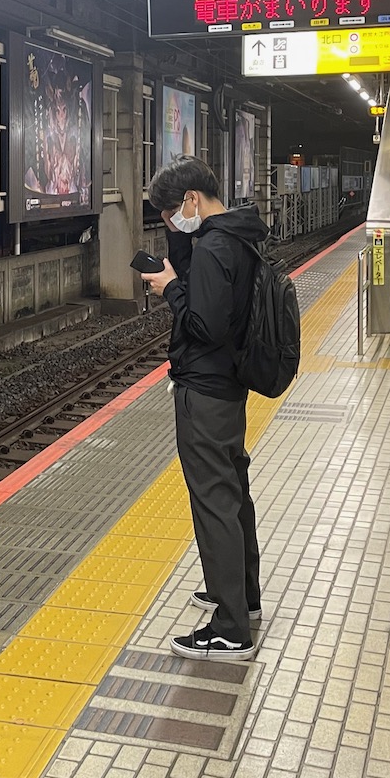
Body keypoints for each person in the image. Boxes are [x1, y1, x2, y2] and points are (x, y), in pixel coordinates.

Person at [140, 156, 270, 660]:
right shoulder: (236, 233)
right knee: (233, 492)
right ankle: (243, 598)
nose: (172, 224)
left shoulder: (216, 246)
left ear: (192, 199)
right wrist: (178, 253)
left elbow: (204, 326)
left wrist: (169, 289)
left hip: (206, 389)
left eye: (173, 213)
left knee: (214, 501)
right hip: (227, 387)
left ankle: (230, 627)